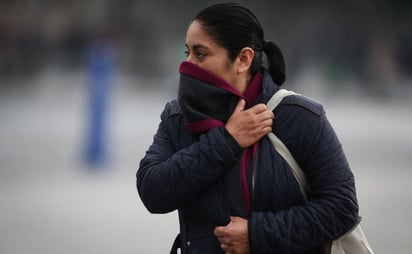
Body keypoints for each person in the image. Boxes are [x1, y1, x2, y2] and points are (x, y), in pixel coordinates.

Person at [136, 3, 359, 254]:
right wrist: (226, 141)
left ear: (243, 59)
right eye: (187, 52)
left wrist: (257, 234)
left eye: (200, 54)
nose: (187, 64)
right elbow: (152, 191)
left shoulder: (300, 117)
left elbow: (341, 208)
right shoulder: (177, 117)